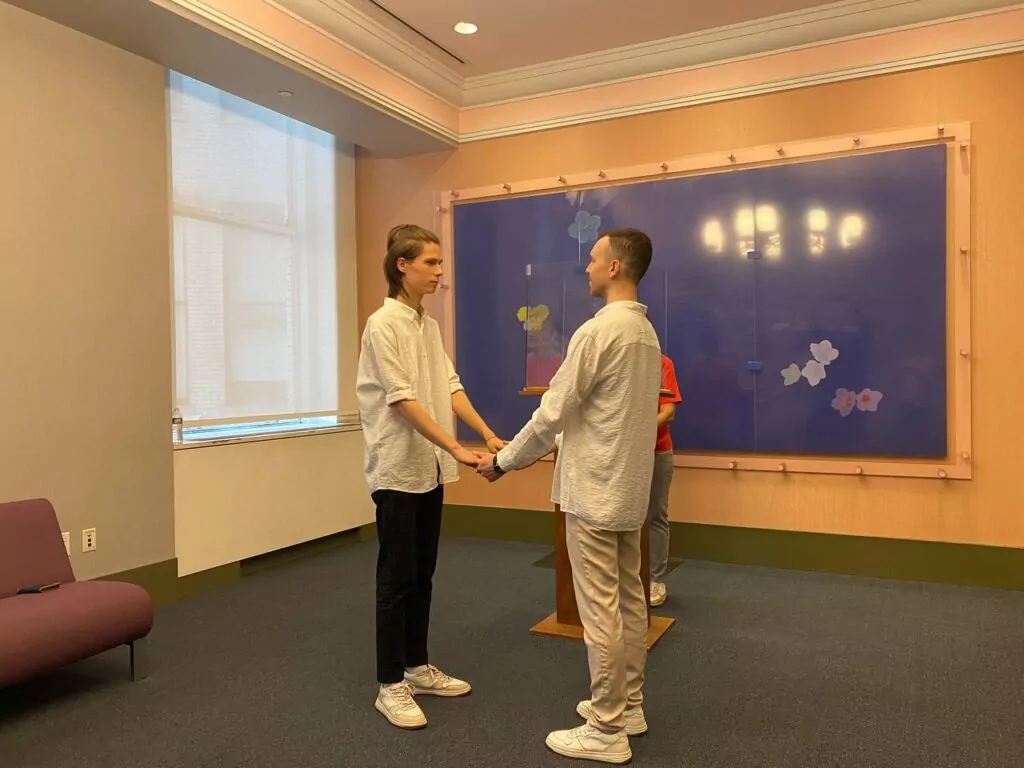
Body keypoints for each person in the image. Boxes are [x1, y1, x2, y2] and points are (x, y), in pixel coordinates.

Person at [477, 228, 661, 765]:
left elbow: (552, 412)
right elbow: (602, 413)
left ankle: (607, 729)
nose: (587, 267)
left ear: (615, 267)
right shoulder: (646, 333)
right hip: (627, 490)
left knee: (600, 612)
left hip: (594, 492)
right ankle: (629, 707)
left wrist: (504, 462)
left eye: (594, 258)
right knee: (629, 602)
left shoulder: (598, 331)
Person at [356, 224, 506, 730]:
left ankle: (416, 667)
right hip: (398, 469)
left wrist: (485, 433)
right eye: (431, 263)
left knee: (423, 573)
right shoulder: (383, 324)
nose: (440, 272)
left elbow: (449, 385)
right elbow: (401, 400)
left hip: (430, 469)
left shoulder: (429, 325)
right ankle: (389, 684)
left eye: (441, 263)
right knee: (396, 579)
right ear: (402, 265)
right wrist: (456, 447)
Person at [648, 354, 682, 607]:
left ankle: (655, 580)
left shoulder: (662, 363)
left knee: (656, 515)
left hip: (657, 450)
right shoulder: (616, 358)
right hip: (622, 453)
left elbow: (668, 412)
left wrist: (637, 432)